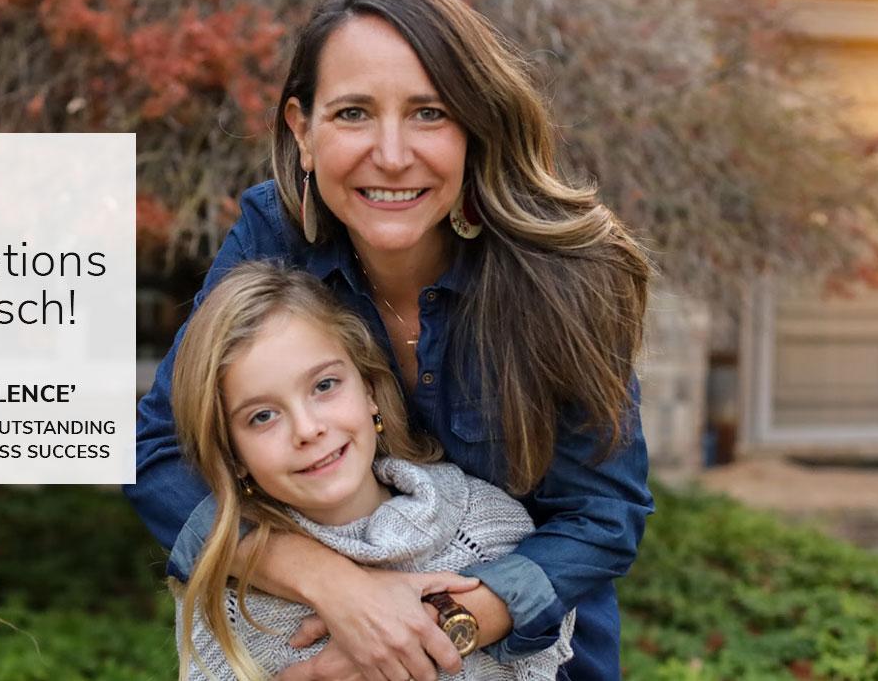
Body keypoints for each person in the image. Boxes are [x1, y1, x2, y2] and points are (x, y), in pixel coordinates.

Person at [127, 0, 653, 681]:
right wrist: (336, 589)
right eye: (352, 113)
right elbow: (155, 450)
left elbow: (602, 516)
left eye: (429, 112)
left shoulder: (566, 276)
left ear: (475, 126)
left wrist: (427, 634)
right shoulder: (273, 240)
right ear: (302, 132)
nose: (394, 153)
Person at [169, 262, 577, 680]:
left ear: (369, 391)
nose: (308, 429)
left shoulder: (488, 530)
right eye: (263, 416)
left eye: (324, 386)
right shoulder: (229, 591)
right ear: (232, 454)